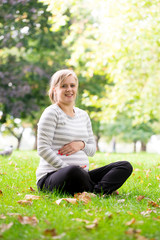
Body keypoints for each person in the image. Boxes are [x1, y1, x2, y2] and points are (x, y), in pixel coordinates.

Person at [36, 69, 133, 195]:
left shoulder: (83, 115)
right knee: (74, 171)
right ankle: (100, 189)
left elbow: (92, 150)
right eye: (63, 86)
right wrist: (67, 168)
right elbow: (43, 149)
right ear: (55, 89)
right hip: (52, 176)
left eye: (72, 85)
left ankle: (96, 192)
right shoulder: (51, 113)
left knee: (124, 166)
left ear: (77, 88)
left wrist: (81, 145)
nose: (69, 89)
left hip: (82, 175)